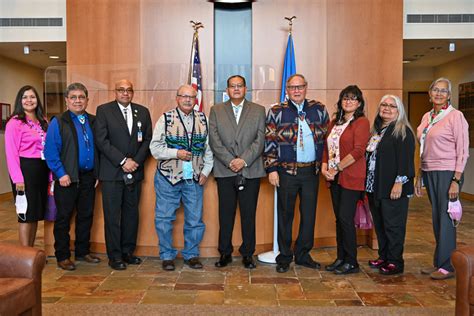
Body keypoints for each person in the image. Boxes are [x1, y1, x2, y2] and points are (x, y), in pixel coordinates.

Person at [264, 74, 329, 273]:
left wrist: (326, 164)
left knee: (308, 215)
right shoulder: (276, 111)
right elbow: (269, 141)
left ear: (306, 88)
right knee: (285, 215)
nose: (297, 90)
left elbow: (328, 140)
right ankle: (284, 256)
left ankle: (303, 254)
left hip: (311, 171)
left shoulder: (319, 109)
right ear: (287, 90)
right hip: (286, 172)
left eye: (300, 87)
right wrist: (272, 169)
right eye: (292, 87)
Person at [150, 84, 213, 271]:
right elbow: (155, 148)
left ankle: (191, 255)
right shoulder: (166, 118)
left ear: (196, 100)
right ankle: (167, 255)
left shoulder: (204, 119)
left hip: (194, 177)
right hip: (168, 177)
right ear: (177, 98)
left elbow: (208, 149)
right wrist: (175, 153)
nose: (187, 100)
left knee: (195, 219)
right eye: (184, 96)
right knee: (164, 218)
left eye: (191, 97)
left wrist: (206, 171)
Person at [209, 75, 266, 269]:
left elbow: (260, 140)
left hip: (250, 170)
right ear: (227, 90)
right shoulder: (216, 110)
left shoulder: (258, 111)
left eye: (239, 86)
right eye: (232, 86)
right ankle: (224, 252)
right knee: (226, 214)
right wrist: (230, 161)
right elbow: (214, 139)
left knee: (248, 214)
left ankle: (248, 253)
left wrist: (243, 160)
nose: (236, 89)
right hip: (225, 170)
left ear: (246, 88)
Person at [415, 77, 469, 280]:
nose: (439, 94)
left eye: (443, 91)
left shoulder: (456, 116)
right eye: (435, 90)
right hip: (430, 171)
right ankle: (439, 261)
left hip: (448, 173)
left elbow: (463, 151)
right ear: (429, 94)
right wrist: (420, 172)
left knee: (446, 219)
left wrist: (456, 179)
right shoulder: (427, 116)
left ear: (449, 95)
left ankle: (447, 266)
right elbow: (423, 147)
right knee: (437, 218)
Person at [95, 79, 152, 270]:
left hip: (134, 171)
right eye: (121, 90)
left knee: (131, 215)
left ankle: (128, 252)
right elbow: (102, 141)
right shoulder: (104, 111)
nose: (125, 93)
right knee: (112, 217)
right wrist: (123, 161)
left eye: (129, 90)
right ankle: (115, 256)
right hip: (112, 173)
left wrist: (135, 161)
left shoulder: (142, 111)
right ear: (115, 91)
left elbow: (147, 140)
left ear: (133, 92)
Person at [44, 82, 101, 271]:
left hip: (88, 178)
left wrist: (97, 174)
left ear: (87, 100)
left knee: (86, 216)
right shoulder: (58, 121)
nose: (78, 101)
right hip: (67, 178)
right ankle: (62, 255)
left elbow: (99, 149)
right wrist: (60, 173)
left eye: (81, 97)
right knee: (64, 218)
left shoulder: (93, 121)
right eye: (74, 97)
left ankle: (82, 251)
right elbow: (50, 152)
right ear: (67, 100)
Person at [321, 85, 370, 275]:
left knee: (345, 218)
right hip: (334, 177)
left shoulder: (361, 122)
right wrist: (325, 168)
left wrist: (336, 168)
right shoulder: (334, 122)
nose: (348, 101)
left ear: (359, 103)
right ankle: (341, 258)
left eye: (353, 98)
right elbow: (326, 147)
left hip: (351, 177)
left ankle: (352, 262)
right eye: (345, 98)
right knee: (339, 220)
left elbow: (358, 151)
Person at [365, 95, 415, 275]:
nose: (387, 108)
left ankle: (395, 261)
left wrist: (399, 183)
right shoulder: (378, 130)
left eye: (392, 106)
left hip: (394, 188)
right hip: (376, 187)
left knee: (394, 226)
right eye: (384, 105)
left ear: (399, 110)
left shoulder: (402, 131)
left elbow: (406, 161)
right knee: (380, 225)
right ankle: (384, 256)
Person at [5, 85, 49, 247]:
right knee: (25, 213)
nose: (29, 100)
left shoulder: (43, 120)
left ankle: (30, 253)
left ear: (37, 100)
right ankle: (24, 256)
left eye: (32, 97)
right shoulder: (15, 123)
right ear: (20, 101)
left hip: (41, 169)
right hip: (25, 170)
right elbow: (11, 153)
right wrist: (18, 179)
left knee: (35, 213)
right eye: (25, 97)